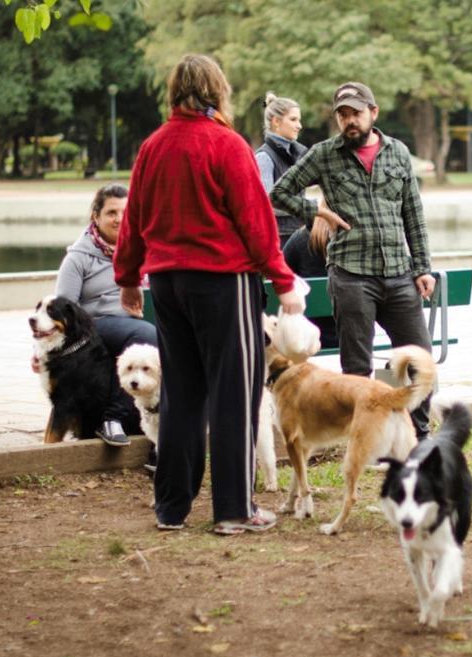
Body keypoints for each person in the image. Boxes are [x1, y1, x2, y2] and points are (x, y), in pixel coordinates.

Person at [113, 54, 305, 535]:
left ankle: (171, 509)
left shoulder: (153, 145)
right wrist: (283, 281)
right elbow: (256, 221)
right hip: (222, 280)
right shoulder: (227, 144)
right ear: (218, 91)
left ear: (175, 91)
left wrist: (128, 279)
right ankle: (233, 510)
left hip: (167, 283)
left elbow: (133, 217)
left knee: (181, 392)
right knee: (234, 393)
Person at [270, 81, 435, 439]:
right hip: (351, 276)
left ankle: (416, 435)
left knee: (419, 360)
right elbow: (279, 191)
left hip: (398, 273)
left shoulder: (399, 153)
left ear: (373, 113)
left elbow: (413, 213)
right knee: (358, 371)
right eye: (342, 115)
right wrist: (316, 212)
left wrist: (422, 266)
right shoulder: (324, 154)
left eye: (356, 113)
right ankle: (369, 439)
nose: (349, 121)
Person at [44, 183, 158, 450]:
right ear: (96, 216)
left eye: (125, 212)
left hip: (141, 318)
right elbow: (63, 309)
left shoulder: (145, 247)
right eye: (111, 213)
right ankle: (112, 419)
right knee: (145, 335)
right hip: (98, 325)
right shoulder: (79, 257)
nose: (119, 219)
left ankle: (164, 434)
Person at [255, 92, 308, 249]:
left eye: (299, 120)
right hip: (278, 239)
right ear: (276, 122)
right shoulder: (264, 157)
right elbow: (268, 204)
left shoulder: (299, 153)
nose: (299, 125)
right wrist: (309, 208)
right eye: (293, 120)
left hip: (299, 234)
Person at [282, 216, 339, 349]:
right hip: (352, 337)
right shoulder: (354, 241)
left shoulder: (300, 239)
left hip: (307, 338)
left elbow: (281, 274)